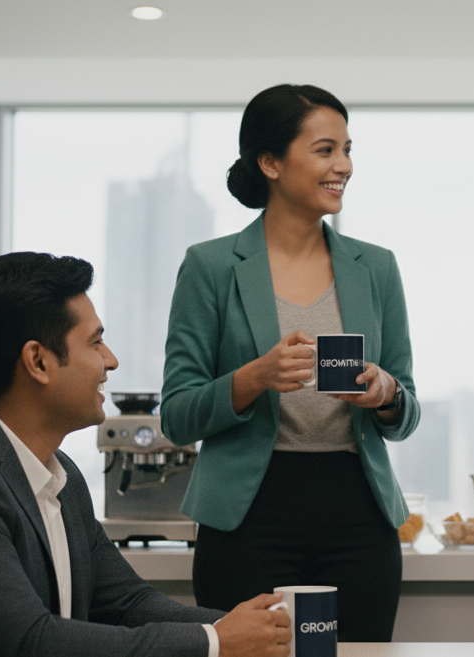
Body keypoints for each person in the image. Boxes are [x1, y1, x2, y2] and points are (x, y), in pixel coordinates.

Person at [0, 252, 290, 657]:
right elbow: (29, 642)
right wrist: (215, 642)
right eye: (95, 343)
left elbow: (125, 602)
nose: (110, 361)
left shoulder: (60, 475)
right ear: (38, 362)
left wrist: (251, 629)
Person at [161, 84, 420, 642]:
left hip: (359, 514)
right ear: (271, 162)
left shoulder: (375, 267)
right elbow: (177, 414)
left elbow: (408, 407)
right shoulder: (210, 266)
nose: (344, 166)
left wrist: (386, 394)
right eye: (326, 150)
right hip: (247, 516)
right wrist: (256, 377)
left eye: (348, 150)